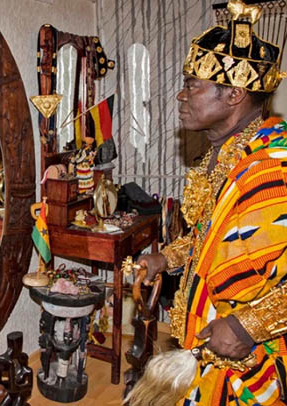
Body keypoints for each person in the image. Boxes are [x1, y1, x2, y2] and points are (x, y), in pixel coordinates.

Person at [135, 1, 287, 404]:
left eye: (192, 85)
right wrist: (166, 258)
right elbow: (209, 237)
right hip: (206, 349)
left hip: (253, 364)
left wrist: (250, 325)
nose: (181, 95)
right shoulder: (222, 156)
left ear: (234, 93)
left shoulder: (274, 167)